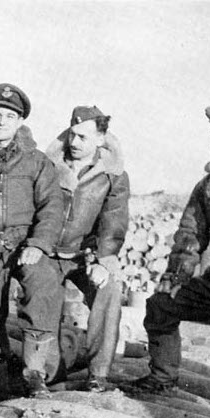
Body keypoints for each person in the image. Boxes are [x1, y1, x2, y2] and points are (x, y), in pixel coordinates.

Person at [0, 84, 64, 397]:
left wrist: (37, 244)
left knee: (42, 285)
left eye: (9, 116)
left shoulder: (36, 161)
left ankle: (35, 371)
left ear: (20, 122)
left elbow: (52, 207)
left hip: (24, 246)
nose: (2, 121)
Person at [126, 106, 210, 395]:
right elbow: (191, 232)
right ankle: (162, 379)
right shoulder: (209, 186)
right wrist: (177, 276)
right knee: (161, 305)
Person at [45, 105, 130, 392]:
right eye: (72, 135)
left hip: (85, 256)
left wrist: (103, 261)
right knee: (43, 301)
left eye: (83, 137)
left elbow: (113, 221)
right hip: (47, 252)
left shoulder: (113, 175)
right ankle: (50, 376)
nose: (74, 143)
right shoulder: (46, 166)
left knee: (111, 288)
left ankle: (98, 373)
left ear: (100, 138)